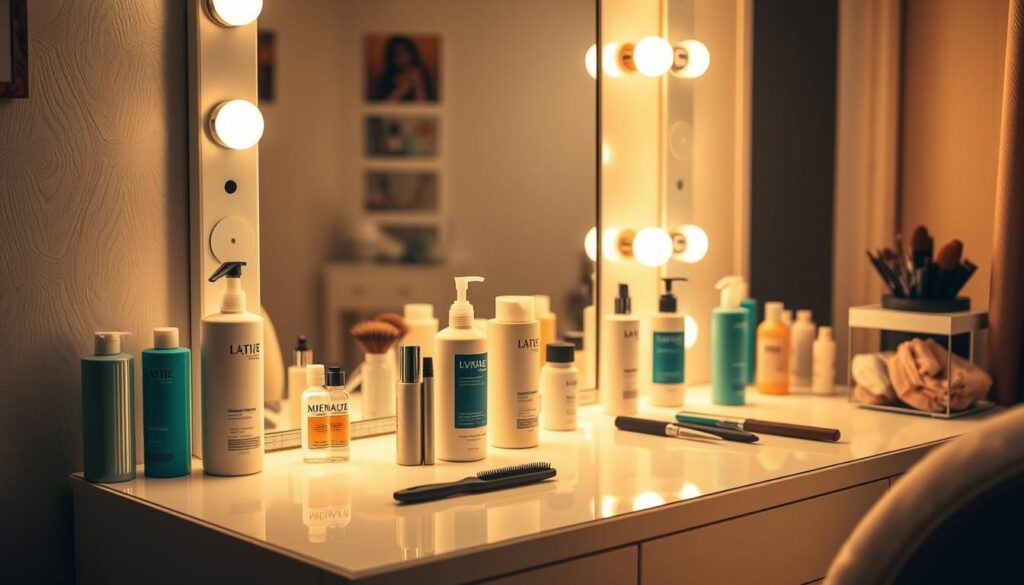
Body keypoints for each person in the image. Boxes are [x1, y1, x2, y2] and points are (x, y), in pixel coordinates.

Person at [373, 36, 436, 102]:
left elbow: (424, 108)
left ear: (412, 53)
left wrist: (417, 83)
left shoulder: (422, 76)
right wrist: (404, 88)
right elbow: (382, 108)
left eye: (404, 52)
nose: (401, 57)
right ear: (390, 57)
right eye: (396, 53)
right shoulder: (384, 80)